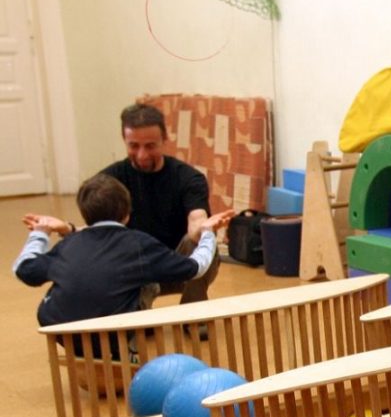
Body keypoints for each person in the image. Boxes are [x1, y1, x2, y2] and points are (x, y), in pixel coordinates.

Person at [13, 173, 231, 329]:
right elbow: (196, 267)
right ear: (127, 213)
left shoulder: (68, 243)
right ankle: (135, 338)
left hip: (60, 330)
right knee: (145, 282)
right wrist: (208, 233)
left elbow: (24, 269)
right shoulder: (137, 243)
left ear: (85, 214)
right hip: (115, 334)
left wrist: (40, 233)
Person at [100, 103, 230, 304]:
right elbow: (98, 235)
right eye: (134, 146)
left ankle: (194, 311)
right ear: (124, 140)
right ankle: (134, 311)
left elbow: (197, 219)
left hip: (178, 265)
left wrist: (205, 229)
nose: (142, 155)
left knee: (200, 241)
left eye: (150, 146)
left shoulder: (188, 178)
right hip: (134, 269)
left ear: (164, 140)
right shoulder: (108, 181)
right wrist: (68, 230)